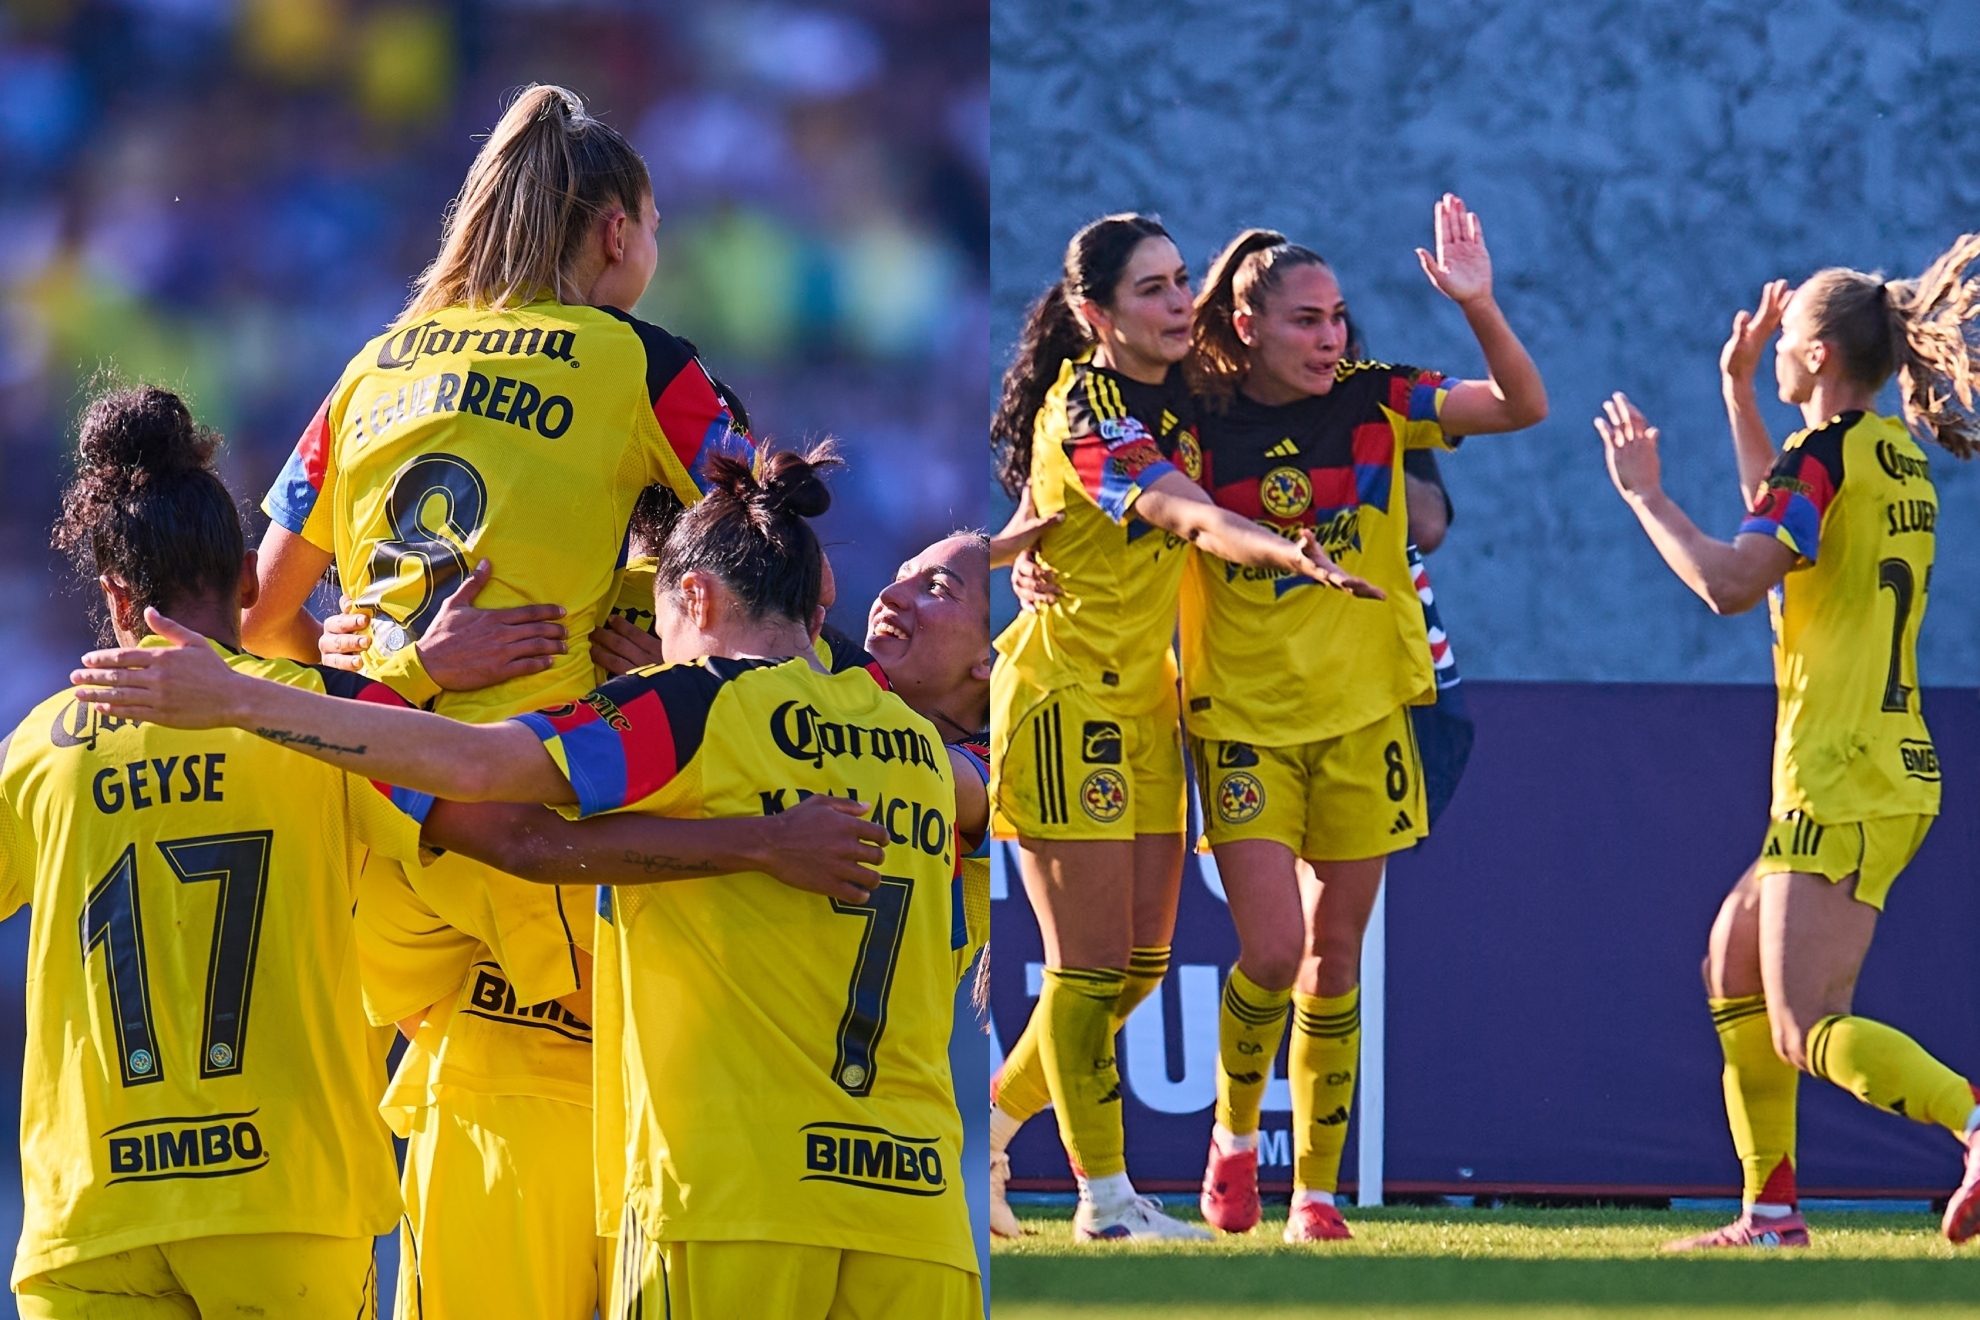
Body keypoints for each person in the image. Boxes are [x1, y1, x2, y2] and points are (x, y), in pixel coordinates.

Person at [73, 449, 988, 1318]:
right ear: (817, 604)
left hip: (733, 1196)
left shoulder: (700, 701)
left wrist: (248, 695)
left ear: (696, 598)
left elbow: (476, 770)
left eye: (658, 621)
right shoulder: (926, 759)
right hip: (916, 1209)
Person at [241, 84, 753, 1318]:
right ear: (617, 231)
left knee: (458, 1083)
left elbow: (259, 617)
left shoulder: (371, 366)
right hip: (535, 827)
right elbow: (775, 563)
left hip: (380, 830)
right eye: (656, 224)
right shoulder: (643, 361)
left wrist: (387, 668)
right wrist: (651, 634)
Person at [985, 214, 1378, 1243]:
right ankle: (1106, 1205)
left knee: (1138, 969)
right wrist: (1285, 551)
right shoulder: (1090, 410)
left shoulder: (1187, 392)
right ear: (1094, 313)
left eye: (1179, 281)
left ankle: (984, 1130)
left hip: (1149, 701)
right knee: (1085, 969)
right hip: (1067, 698)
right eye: (1150, 289)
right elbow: (1187, 513)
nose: (1174, 302)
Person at [1, 385, 429, 1316]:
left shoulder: (36, 749)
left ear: (116, 595)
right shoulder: (328, 721)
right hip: (286, 1201)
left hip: (90, 1217)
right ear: (247, 580)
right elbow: (488, 827)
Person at [1594, 242, 1980, 1249]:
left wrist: (1645, 495)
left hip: (1843, 773)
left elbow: (1733, 580)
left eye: (1782, 339)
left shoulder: (1825, 458)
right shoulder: (1884, 451)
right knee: (1732, 963)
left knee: (1802, 1025)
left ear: (1815, 354)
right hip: (1872, 763)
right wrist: (1735, 392)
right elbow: (1784, 521)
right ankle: (1769, 1213)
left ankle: (1973, 1124)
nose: (1769, 349)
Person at [1184, 196, 1546, 1242]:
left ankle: (1314, 1194)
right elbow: (1131, 506)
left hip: (1365, 715)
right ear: (1247, 326)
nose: (1330, 337)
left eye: (1337, 316)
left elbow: (1522, 405)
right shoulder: (1194, 424)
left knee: (1333, 958)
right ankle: (1233, 1137)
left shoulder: (1376, 399)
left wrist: (1478, 304)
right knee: (1272, 951)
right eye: (1306, 320)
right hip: (1242, 716)